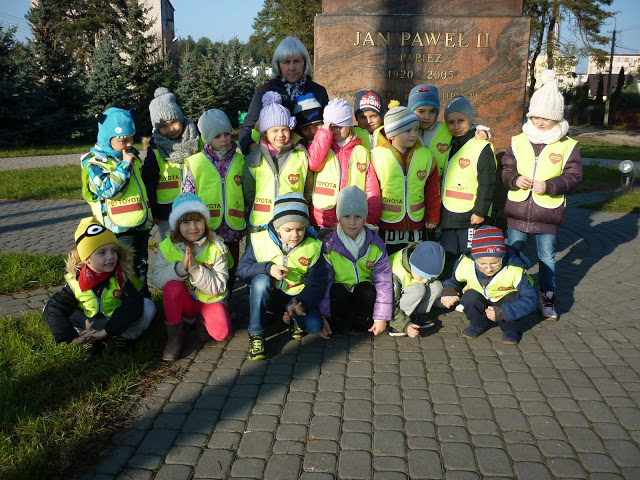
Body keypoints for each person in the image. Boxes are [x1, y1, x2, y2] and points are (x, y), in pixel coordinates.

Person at [502, 70, 582, 320]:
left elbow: (573, 176)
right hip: (517, 210)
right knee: (512, 252)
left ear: (556, 117)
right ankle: (508, 291)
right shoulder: (518, 140)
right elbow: (506, 169)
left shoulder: (567, 145)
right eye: (535, 116)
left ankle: (547, 297)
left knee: (547, 257)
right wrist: (515, 179)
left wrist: (550, 186)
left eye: (545, 117)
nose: (539, 121)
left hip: (547, 212)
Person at [43, 218, 155, 359]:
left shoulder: (122, 276)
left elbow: (133, 306)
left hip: (115, 321)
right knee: (49, 308)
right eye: (102, 252)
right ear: (86, 258)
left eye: (114, 251)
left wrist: (107, 331)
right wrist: (72, 337)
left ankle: (123, 337)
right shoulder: (76, 281)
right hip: (88, 323)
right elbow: (54, 308)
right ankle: (87, 339)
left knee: (147, 306)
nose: (111, 257)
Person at [236, 193, 326, 360]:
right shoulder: (260, 240)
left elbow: (317, 282)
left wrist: (302, 303)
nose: (295, 235)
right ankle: (256, 334)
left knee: (314, 325)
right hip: (269, 295)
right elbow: (242, 270)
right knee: (260, 281)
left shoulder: (313, 246)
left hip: (295, 297)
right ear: (277, 227)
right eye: (288, 230)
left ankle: (293, 315)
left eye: (300, 229)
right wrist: (268, 268)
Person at [151, 193, 232, 361]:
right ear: (177, 225)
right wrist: (181, 268)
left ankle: (200, 321)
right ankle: (175, 338)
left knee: (221, 333)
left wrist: (195, 269)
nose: (193, 227)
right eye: (185, 222)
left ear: (205, 221)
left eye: (198, 221)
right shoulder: (167, 246)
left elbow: (219, 286)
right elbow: (157, 280)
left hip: (208, 300)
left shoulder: (216, 246)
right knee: (172, 287)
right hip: (184, 302)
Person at [81, 107, 153, 296]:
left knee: (141, 267)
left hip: (140, 226)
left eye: (131, 138)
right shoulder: (95, 163)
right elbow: (108, 190)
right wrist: (124, 165)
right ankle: (123, 304)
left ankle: (143, 302)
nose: (129, 144)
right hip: (119, 230)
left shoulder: (131, 155)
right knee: (122, 270)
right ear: (107, 138)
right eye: (123, 140)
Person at [440, 226, 537, 345]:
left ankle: (510, 329)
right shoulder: (465, 263)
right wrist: (449, 290)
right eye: (482, 264)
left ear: (503, 257)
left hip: (504, 302)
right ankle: (478, 324)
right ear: (474, 258)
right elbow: (453, 280)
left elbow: (531, 299)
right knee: (469, 297)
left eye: (495, 263)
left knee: (513, 297)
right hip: (481, 298)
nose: (489, 268)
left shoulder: (515, 269)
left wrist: (505, 312)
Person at [182, 109, 245, 289]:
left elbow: (247, 193)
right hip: (206, 226)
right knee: (207, 262)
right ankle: (206, 297)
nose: (224, 139)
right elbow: (187, 195)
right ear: (207, 138)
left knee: (231, 264)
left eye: (227, 134)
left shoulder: (241, 160)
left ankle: (228, 296)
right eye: (217, 136)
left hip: (233, 226)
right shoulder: (195, 162)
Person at [320, 186, 392, 337]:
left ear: (364, 218)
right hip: (340, 298)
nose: (352, 222)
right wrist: (323, 315)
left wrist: (381, 317)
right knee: (336, 290)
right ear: (339, 217)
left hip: (363, 299)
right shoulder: (329, 246)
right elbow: (325, 282)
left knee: (366, 289)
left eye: (358, 217)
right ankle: (337, 322)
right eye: (346, 216)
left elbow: (384, 282)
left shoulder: (376, 245)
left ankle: (361, 322)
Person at [239, 36, 329, 155]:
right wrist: (249, 146)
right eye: (286, 62)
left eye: (297, 61)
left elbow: (329, 125)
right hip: (273, 158)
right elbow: (246, 128)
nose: (292, 67)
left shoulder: (318, 91)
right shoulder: (264, 91)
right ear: (278, 65)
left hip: (312, 156)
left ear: (305, 63)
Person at [371, 103, 441, 255]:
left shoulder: (426, 156)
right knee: (388, 261)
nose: (414, 134)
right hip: (387, 225)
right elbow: (372, 191)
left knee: (415, 260)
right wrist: (371, 220)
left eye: (416, 129)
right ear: (392, 134)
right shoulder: (376, 156)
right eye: (407, 130)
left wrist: (432, 217)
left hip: (417, 223)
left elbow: (432, 190)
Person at [439, 95, 497, 278]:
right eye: (451, 122)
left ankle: (470, 287)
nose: (456, 126)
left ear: (470, 119)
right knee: (449, 254)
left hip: (471, 216)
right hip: (449, 215)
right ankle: (449, 287)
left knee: (470, 256)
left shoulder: (481, 147)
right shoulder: (449, 144)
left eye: (461, 121)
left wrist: (480, 211)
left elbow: (487, 183)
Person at [307, 98, 382, 228]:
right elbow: (314, 164)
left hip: (352, 219)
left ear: (349, 125)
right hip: (323, 218)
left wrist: (370, 219)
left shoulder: (361, 152)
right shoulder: (321, 147)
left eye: (340, 126)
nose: (336, 130)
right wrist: (324, 133)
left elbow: (371, 188)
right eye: (332, 127)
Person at [242, 91, 310, 233]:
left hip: (292, 225)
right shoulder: (253, 159)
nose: (280, 134)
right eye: (274, 130)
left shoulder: (301, 156)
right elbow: (249, 192)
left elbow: (308, 188)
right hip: (261, 225)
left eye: (284, 129)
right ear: (265, 132)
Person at [142, 87, 201, 241]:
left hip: (194, 207)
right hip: (165, 212)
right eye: (163, 126)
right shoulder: (155, 151)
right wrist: (153, 211)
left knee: (196, 248)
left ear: (181, 118)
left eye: (174, 122)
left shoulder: (196, 142)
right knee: (170, 247)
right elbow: (149, 183)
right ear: (157, 128)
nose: (170, 129)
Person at [388, 241, 445, 337]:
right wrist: (404, 325)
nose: (426, 280)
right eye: (422, 275)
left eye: (429, 277)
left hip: (407, 293)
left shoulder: (427, 258)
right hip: (391, 308)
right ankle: (396, 324)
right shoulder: (394, 272)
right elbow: (389, 304)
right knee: (418, 289)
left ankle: (418, 315)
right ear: (412, 265)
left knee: (437, 286)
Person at [407, 84, 452, 179]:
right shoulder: (404, 131)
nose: (427, 117)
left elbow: (463, 128)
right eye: (421, 111)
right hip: (412, 184)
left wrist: (480, 131)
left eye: (432, 112)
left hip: (438, 184)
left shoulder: (446, 129)